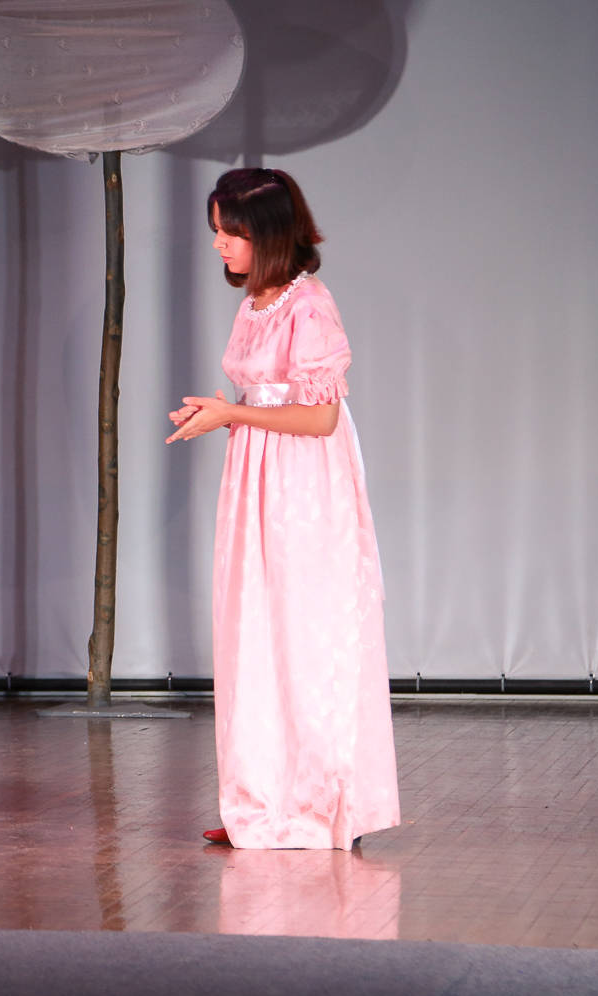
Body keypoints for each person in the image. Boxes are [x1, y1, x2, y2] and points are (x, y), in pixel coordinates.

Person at [166, 169, 399, 850]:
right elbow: (265, 397)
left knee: (305, 634)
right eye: (216, 230)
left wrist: (233, 414)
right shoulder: (257, 301)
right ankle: (260, 800)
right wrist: (222, 412)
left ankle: (318, 804)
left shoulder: (310, 306)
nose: (219, 244)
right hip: (258, 477)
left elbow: (321, 418)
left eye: (230, 232)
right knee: (254, 632)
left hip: (305, 487)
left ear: (266, 234)